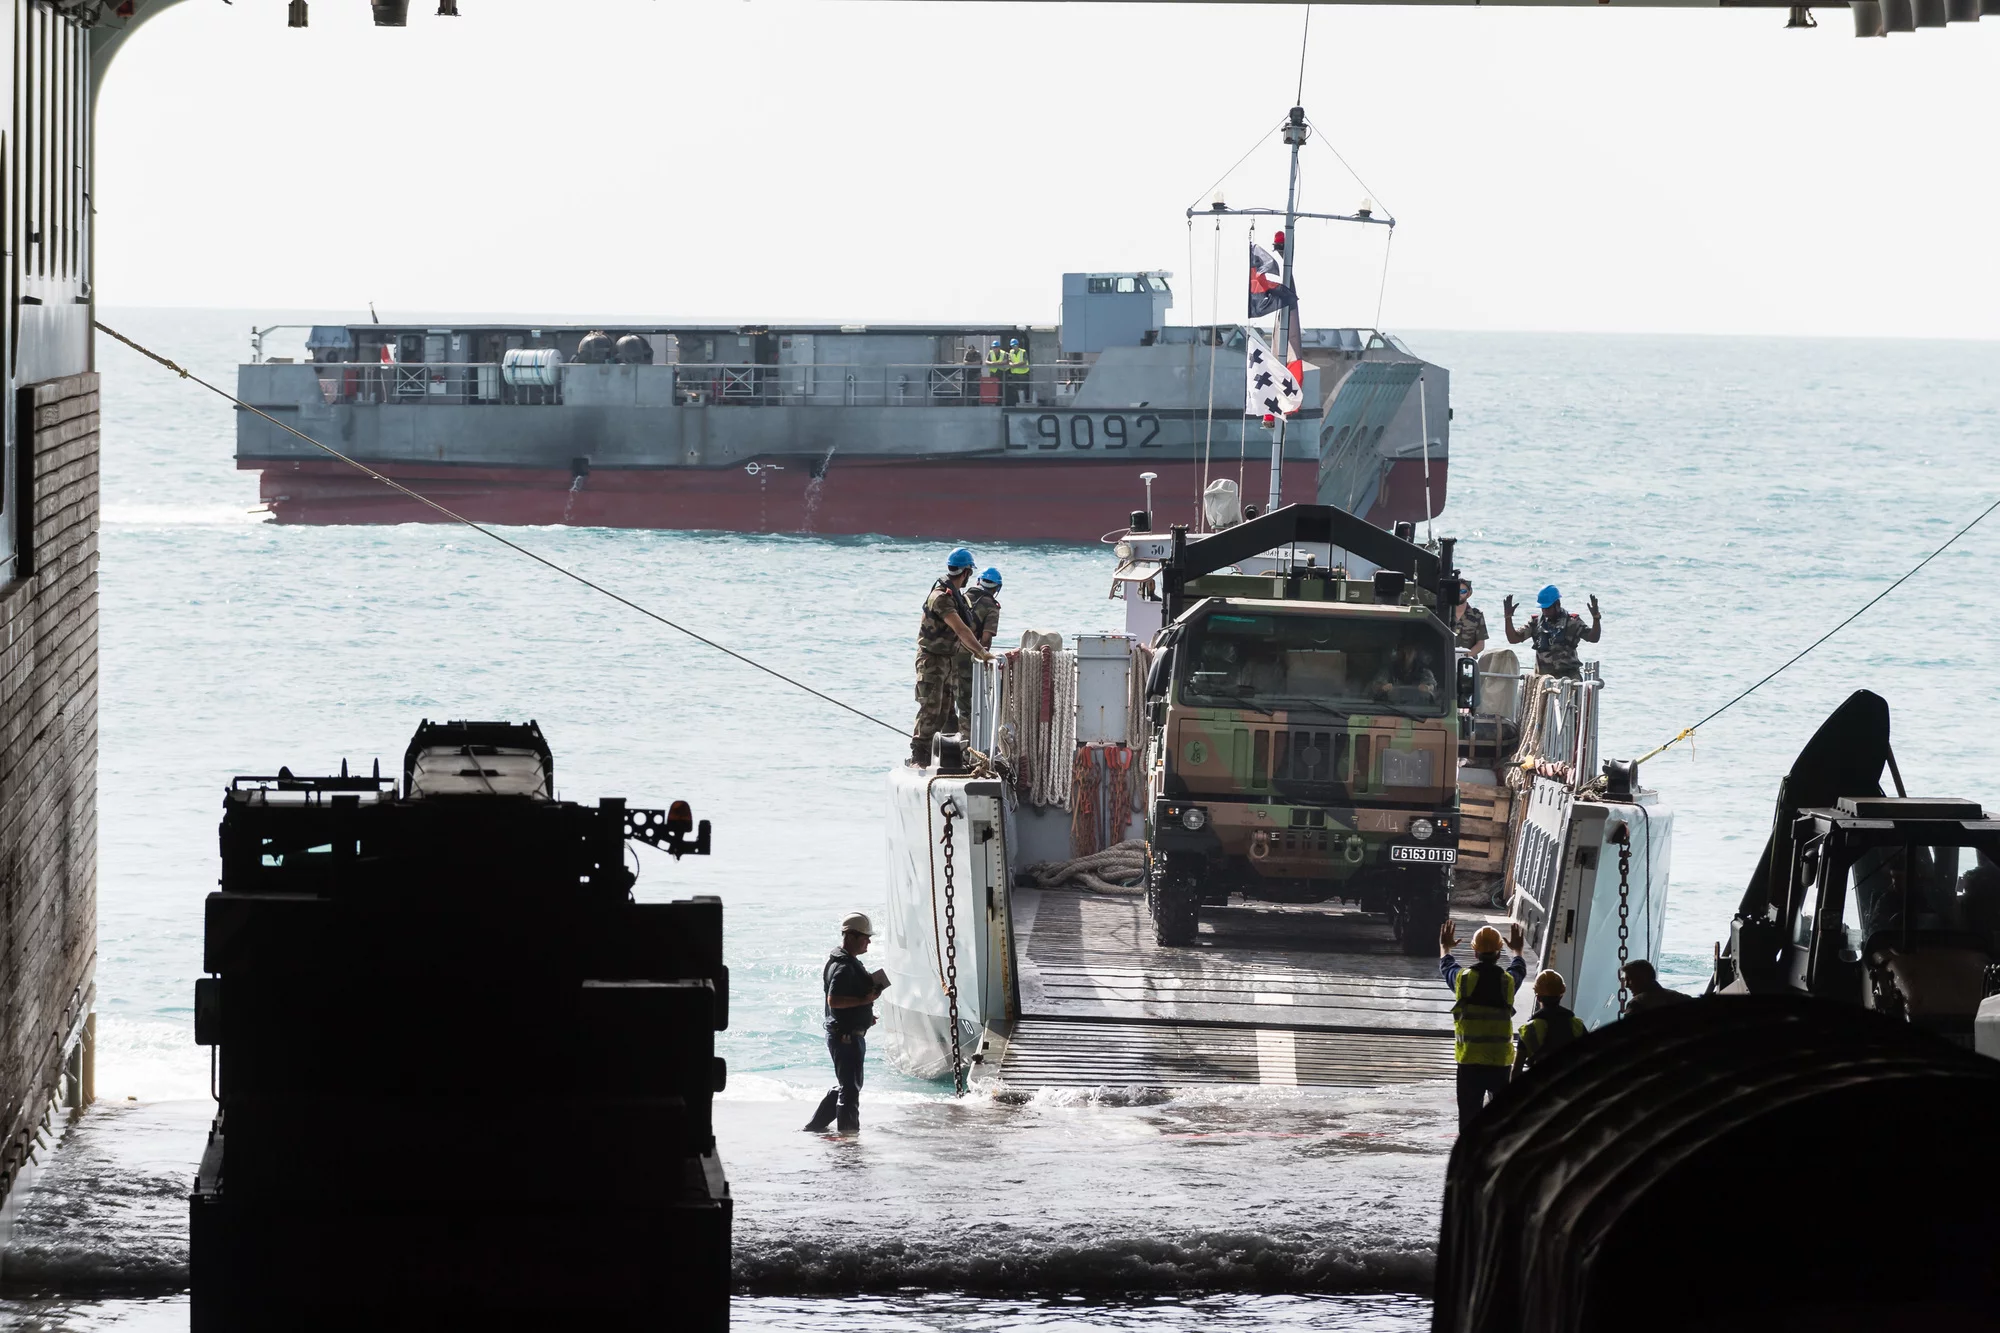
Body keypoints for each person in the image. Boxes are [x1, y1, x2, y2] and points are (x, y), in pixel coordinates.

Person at [804, 912, 889, 1134]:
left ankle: (815, 1127)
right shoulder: (843, 966)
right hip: (846, 1036)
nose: (869, 941)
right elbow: (834, 1001)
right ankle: (848, 1139)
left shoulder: (842, 962)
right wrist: (864, 1000)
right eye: (865, 937)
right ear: (850, 936)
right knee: (850, 1089)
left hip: (846, 1033)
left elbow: (842, 999)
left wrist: (864, 1013)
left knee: (847, 1086)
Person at [1439, 919, 1527, 1128]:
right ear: (1499, 952)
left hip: (1469, 1061)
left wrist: (1445, 947)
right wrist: (1517, 951)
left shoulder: (1464, 980)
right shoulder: (1507, 982)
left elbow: (1447, 967)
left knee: (1470, 1118)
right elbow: (1519, 969)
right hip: (1500, 1062)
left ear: (1474, 952)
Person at [913, 547, 993, 767]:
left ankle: (949, 755)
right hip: (932, 661)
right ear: (966, 572)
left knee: (948, 712)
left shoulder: (957, 597)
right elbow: (961, 630)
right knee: (931, 709)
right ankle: (919, 757)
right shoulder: (941, 598)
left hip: (948, 660)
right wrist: (983, 654)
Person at [1502, 585, 1601, 680]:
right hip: (1543, 680)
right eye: (1543, 608)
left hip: (1569, 679)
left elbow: (1593, 638)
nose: (1545, 611)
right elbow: (1513, 639)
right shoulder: (1535, 623)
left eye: (1548, 608)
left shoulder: (1572, 623)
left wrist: (1596, 618)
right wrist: (1508, 618)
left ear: (1557, 605)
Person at [953, 567, 1003, 736]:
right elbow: (986, 639)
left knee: (948, 699)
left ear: (978, 581)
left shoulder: (962, 597)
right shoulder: (991, 607)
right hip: (969, 658)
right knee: (967, 703)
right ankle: (965, 744)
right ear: (996, 588)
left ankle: (945, 740)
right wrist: (983, 657)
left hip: (949, 653)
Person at [1514, 969, 1587, 1075]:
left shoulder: (1529, 1030)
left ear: (1538, 997)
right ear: (1561, 995)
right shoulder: (1577, 1025)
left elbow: (1517, 1070)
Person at [1368, 639, 1439, 705]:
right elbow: (1375, 686)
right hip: (1391, 708)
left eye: (1409, 651)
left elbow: (1432, 686)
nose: (1406, 655)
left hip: (1419, 709)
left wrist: (1428, 687)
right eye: (1402, 651)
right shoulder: (1388, 670)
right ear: (1398, 653)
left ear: (1415, 654)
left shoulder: (1424, 672)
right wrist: (1382, 687)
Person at [1620, 959, 1695, 1016]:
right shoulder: (1681, 998)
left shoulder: (1636, 1004)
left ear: (1641, 979)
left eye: (1629, 980)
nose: (1627, 986)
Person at [1451, 579, 1488, 656]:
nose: (1459, 594)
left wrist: (1464, 657)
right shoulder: (1444, 613)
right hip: (1445, 660)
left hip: (1467, 662)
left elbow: (1480, 645)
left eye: (1463, 591)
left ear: (1469, 593)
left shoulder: (1477, 615)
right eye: (1456, 590)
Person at [1005, 337, 1030, 405]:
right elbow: (1009, 360)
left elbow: (1024, 362)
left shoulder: (1023, 352)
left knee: (1023, 388)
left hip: (1023, 373)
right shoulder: (1011, 352)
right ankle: (1018, 401)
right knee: (1016, 388)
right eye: (1012, 346)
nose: (1014, 347)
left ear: (1018, 345)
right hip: (1014, 373)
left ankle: (1023, 402)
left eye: (1015, 345)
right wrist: (1011, 364)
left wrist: (1014, 365)